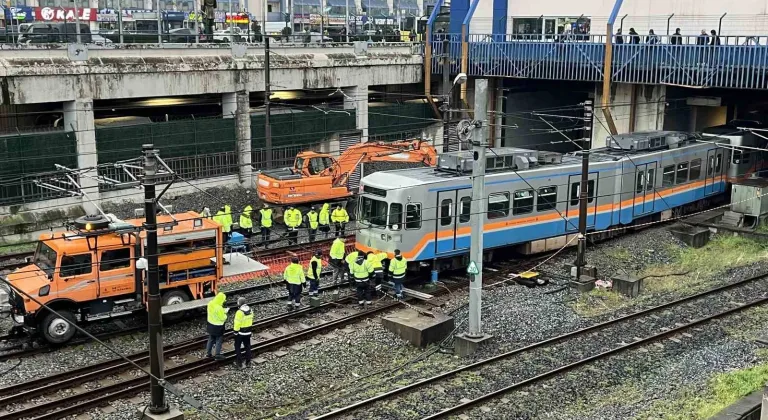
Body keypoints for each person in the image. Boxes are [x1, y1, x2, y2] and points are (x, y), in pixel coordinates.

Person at [205, 292, 228, 360]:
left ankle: (208, 353)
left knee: (211, 339)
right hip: (218, 326)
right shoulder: (219, 308)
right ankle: (217, 354)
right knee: (218, 340)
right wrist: (225, 313)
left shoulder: (210, 303)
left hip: (210, 324)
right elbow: (223, 318)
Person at [233, 297, 253, 368]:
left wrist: (235, 331)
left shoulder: (239, 312)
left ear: (239, 303)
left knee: (237, 346)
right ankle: (248, 362)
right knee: (247, 346)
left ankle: (239, 363)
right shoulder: (251, 310)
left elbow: (237, 323)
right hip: (248, 332)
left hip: (240, 333)